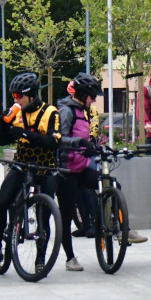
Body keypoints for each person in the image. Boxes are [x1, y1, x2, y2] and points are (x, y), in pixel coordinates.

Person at [0, 72, 61, 268]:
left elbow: (54, 142)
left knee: (44, 212)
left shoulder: (50, 112)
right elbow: (0, 141)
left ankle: (40, 259)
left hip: (45, 166)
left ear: (31, 96)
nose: (16, 99)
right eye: (14, 96)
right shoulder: (16, 112)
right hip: (22, 163)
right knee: (1, 200)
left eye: (19, 96)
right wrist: (4, 125)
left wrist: (26, 134)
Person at [57, 73, 102, 271]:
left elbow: (85, 137)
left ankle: (119, 227)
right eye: (93, 97)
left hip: (82, 166)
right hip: (67, 169)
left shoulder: (83, 110)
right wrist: (79, 143)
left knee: (109, 183)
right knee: (66, 216)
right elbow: (60, 138)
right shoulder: (67, 111)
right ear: (83, 95)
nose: (94, 101)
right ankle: (70, 258)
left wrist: (93, 146)